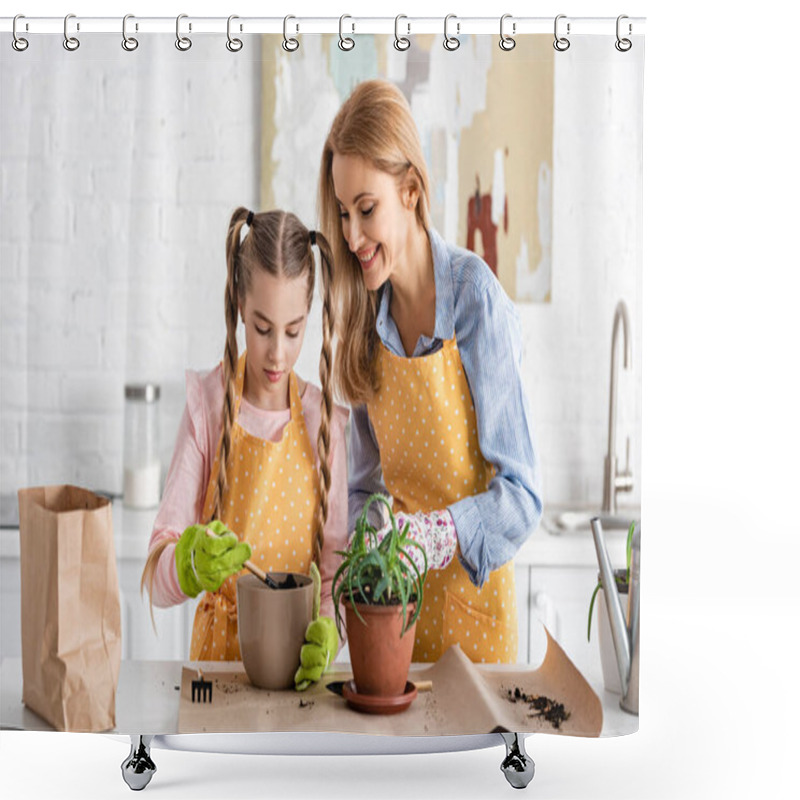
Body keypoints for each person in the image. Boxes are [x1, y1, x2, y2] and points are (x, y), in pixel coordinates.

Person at [319, 80, 542, 665]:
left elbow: (522, 497)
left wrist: (438, 535)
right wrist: (364, 551)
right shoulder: (366, 325)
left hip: (478, 623)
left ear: (411, 190)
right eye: (344, 214)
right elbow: (365, 487)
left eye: (366, 211)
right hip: (396, 623)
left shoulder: (476, 303)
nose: (351, 236)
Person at [141, 208, 347, 688]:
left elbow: (334, 570)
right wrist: (190, 563)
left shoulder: (324, 420)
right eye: (261, 328)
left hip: (298, 675)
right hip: (219, 672)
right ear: (238, 303)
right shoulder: (208, 407)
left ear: (311, 314)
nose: (277, 352)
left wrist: (330, 633)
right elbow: (154, 578)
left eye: (293, 331)